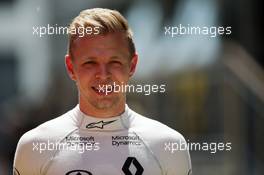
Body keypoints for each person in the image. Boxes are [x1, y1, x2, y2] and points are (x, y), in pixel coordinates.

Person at [13, 8, 192, 175]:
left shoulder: (169, 145)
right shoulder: (35, 146)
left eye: (114, 62)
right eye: (90, 63)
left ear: (132, 66)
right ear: (70, 67)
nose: (103, 75)